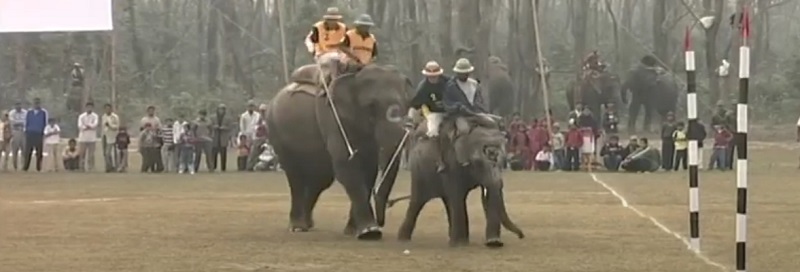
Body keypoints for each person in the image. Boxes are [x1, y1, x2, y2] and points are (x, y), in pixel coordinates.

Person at [442, 58, 491, 167]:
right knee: (464, 130)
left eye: (466, 73)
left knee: (492, 124)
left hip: (475, 113)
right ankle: (462, 158)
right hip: (460, 115)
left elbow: (479, 100)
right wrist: (458, 107)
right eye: (462, 73)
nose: (464, 75)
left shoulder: (474, 84)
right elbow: (447, 103)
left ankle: (493, 154)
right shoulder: (451, 86)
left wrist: (480, 109)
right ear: (457, 73)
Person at [408, 61, 449, 138]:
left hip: (453, 112)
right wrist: (410, 118)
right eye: (430, 76)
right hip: (435, 113)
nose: (432, 78)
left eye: (435, 76)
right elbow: (414, 105)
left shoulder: (449, 82)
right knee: (432, 131)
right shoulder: (423, 88)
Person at [23, 98, 48, 172]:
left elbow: (45, 123)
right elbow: (26, 122)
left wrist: (44, 132)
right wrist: (26, 131)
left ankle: (38, 167)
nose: (37, 104)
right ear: (33, 104)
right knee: (28, 151)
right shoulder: (29, 112)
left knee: (39, 151)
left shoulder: (43, 112)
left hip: (39, 133)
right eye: (35, 103)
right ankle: (26, 167)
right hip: (30, 133)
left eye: (38, 103)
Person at [77, 102, 99, 172]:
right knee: (82, 153)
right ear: (86, 108)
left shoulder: (95, 116)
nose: (89, 108)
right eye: (88, 107)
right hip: (83, 138)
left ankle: (91, 167)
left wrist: (89, 126)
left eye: (91, 107)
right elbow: (80, 125)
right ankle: (81, 167)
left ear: (92, 108)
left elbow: (95, 125)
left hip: (92, 138)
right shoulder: (81, 116)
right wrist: (87, 127)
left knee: (91, 154)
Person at [247, 104, 269, 171]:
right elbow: (255, 127)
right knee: (254, 152)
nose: (263, 112)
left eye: (264, 111)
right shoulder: (257, 118)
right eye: (261, 111)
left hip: (267, 138)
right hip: (258, 137)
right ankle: (250, 166)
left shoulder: (268, 118)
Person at [211, 104, 233, 171]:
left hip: (223, 137)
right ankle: (213, 167)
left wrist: (224, 128)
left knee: (223, 153)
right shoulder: (213, 117)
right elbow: (209, 126)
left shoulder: (228, 118)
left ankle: (223, 167)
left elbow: (230, 127)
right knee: (214, 153)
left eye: (223, 109)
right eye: (220, 109)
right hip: (215, 137)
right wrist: (214, 127)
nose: (221, 110)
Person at [7, 102, 26, 171]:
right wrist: (20, 123)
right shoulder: (11, 113)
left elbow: (26, 122)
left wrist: (19, 123)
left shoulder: (25, 112)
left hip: (24, 132)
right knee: (15, 150)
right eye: (17, 105)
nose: (18, 106)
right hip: (15, 132)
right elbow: (12, 123)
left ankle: (23, 166)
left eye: (20, 104)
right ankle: (15, 166)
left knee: (24, 150)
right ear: (15, 106)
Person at [101, 103, 120, 172]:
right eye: (106, 109)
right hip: (105, 135)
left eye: (109, 108)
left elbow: (116, 127)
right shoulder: (103, 116)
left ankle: (114, 166)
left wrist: (110, 125)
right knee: (104, 153)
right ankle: (108, 166)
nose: (107, 110)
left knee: (109, 152)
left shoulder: (115, 117)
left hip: (112, 136)